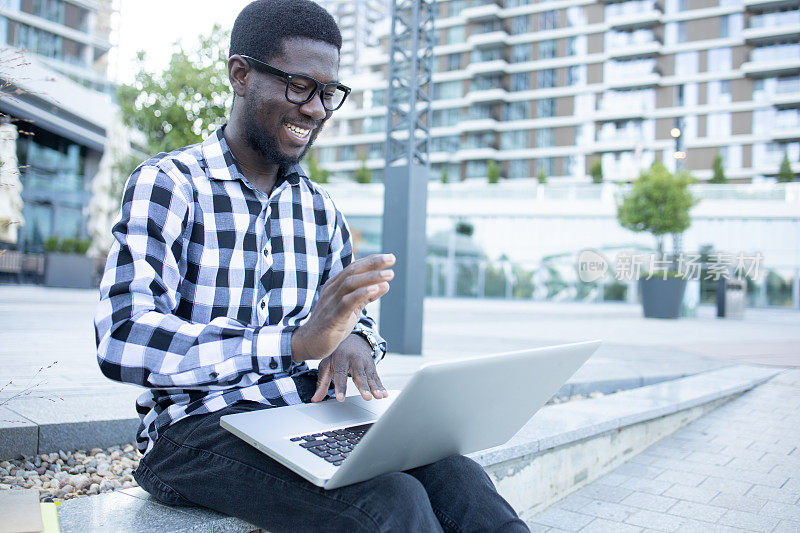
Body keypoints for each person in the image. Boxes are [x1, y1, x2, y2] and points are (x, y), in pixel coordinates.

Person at [94, 1, 529, 531]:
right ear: (241, 75)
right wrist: (295, 344)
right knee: (391, 505)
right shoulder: (169, 184)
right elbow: (122, 337)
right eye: (300, 86)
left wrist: (354, 339)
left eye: (328, 93)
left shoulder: (320, 209)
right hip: (194, 431)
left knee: (462, 481)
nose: (317, 109)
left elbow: (348, 318)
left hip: (305, 416)